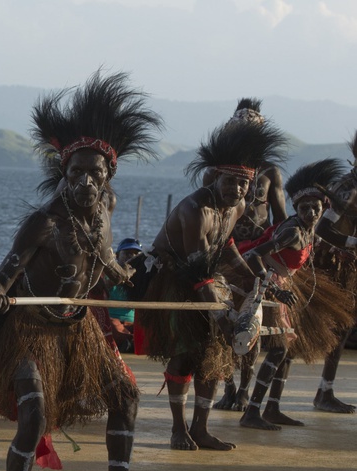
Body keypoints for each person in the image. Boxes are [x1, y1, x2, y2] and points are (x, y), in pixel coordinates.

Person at [0, 71, 162, 471]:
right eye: (74, 172)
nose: (82, 181)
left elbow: (104, 264)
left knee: (125, 397)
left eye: (92, 174)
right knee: (34, 413)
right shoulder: (43, 223)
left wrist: (128, 273)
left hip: (78, 330)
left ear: (107, 179)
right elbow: (6, 273)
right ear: (64, 171)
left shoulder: (103, 214)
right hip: (31, 329)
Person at [136, 118, 286, 450]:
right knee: (186, 353)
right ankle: (179, 429)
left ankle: (200, 429)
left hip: (205, 278)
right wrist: (222, 317)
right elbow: (198, 268)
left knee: (212, 356)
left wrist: (252, 276)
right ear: (216, 177)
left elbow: (227, 246)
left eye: (243, 185)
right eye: (230, 182)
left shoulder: (239, 205)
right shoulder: (195, 210)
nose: (237, 190)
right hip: (176, 280)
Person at [238, 159, 355, 429]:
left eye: (316, 208)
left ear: (323, 207)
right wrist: (274, 287)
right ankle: (252, 412)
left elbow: (316, 244)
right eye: (305, 208)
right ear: (296, 208)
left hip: (287, 286)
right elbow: (253, 254)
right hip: (273, 287)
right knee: (280, 349)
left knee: (286, 350)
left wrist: (341, 251)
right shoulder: (291, 231)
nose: (311, 213)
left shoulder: (309, 229)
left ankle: (272, 408)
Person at [215, 98, 287, 411]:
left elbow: (282, 220)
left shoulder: (270, 172)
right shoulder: (217, 170)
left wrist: (277, 253)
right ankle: (227, 387)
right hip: (224, 257)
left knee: (253, 325)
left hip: (256, 259)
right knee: (220, 325)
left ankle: (245, 389)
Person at [312, 131, 357, 413]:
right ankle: (323, 393)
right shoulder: (349, 188)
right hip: (338, 268)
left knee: (344, 328)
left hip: (350, 267)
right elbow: (322, 228)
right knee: (340, 327)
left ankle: (325, 391)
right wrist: (352, 242)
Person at [106, 238, 142, 354]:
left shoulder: (141, 277)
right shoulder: (106, 275)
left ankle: (128, 342)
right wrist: (119, 278)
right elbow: (101, 290)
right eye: (127, 253)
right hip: (112, 319)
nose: (131, 256)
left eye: (136, 254)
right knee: (115, 327)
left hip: (131, 322)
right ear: (116, 256)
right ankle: (128, 342)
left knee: (143, 328)